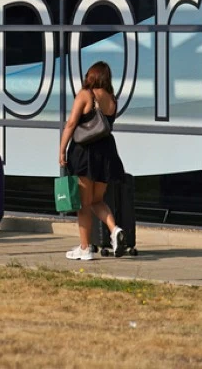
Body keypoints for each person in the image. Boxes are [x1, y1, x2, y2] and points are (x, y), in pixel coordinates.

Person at [59, 61, 126, 261]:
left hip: (85, 153)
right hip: (106, 154)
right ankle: (115, 230)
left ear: (91, 76)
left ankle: (85, 247)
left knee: (83, 204)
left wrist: (62, 150)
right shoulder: (112, 99)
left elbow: (71, 123)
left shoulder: (85, 94)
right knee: (97, 200)